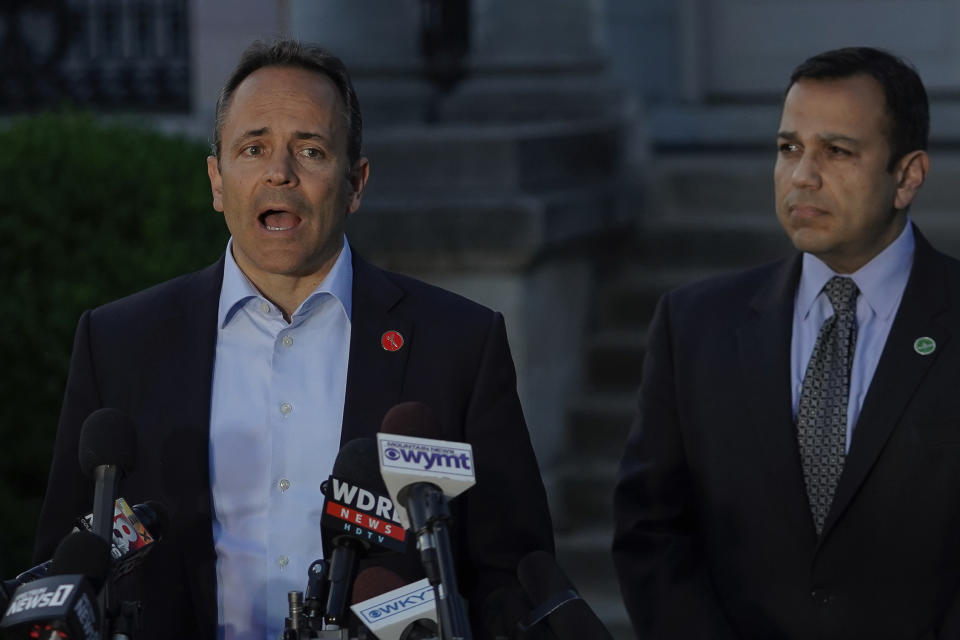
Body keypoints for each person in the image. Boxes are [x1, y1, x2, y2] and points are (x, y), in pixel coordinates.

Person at [33, 39, 554, 640]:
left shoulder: (458, 343)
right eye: (253, 149)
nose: (280, 172)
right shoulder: (118, 342)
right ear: (217, 181)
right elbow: (64, 571)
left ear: (356, 183)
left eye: (310, 150)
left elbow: (513, 574)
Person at [613, 46, 960, 639]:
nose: (803, 175)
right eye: (788, 148)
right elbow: (652, 531)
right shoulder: (694, 324)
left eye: (838, 151)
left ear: (907, 177)